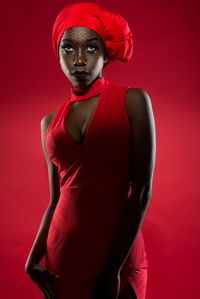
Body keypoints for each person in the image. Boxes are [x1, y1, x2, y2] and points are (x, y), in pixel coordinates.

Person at [25, 2, 156, 299]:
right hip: (63, 257)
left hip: (119, 256)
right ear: (57, 56)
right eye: (68, 48)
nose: (79, 59)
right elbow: (55, 200)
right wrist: (32, 260)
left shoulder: (133, 101)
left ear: (106, 54)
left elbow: (142, 189)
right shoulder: (49, 122)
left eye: (91, 48)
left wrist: (112, 271)